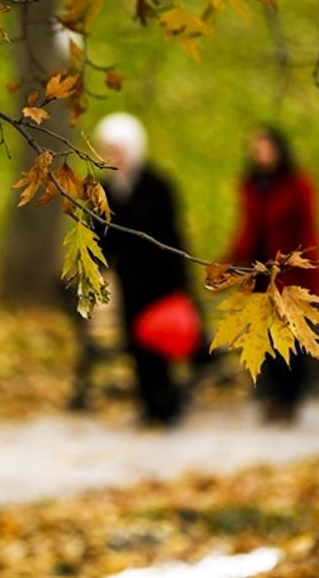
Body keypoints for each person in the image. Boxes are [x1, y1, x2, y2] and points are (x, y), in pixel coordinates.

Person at [224, 125, 319, 423]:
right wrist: (228, 265)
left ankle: (290, 399)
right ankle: (272, 396)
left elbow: (308, 231)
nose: (260, 154)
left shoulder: (297, 186)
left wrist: (314, 276)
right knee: (263, 337)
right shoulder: (252, 187)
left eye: (265, 147)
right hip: (259, 277)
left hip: (291, 277)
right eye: (256, 148)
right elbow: (246, 231)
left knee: (290, 339)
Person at [94, 112, 207, 427]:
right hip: (129, 280)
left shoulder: (157, 185)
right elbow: (101, 239)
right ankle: (148, 403)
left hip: (160, 279)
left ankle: (166, 404)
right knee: (136, 343)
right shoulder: (104, 189)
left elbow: (172, 235)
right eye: (108, 150)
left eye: (118, 150)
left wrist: (180, 283)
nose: (113, 156)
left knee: (159, 341)